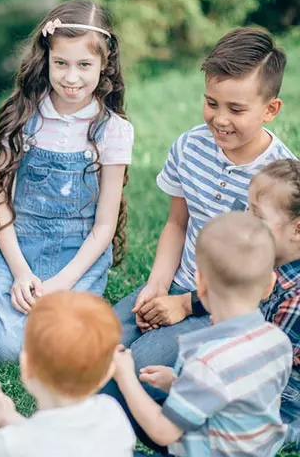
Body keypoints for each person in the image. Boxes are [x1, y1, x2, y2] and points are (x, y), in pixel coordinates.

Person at [111, 26, 295, 372]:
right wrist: (157, 285)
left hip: (230, 306)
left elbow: (264, 279)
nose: (220, 119)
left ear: (271, 109)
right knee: (97, 339)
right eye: (212, 103)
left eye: (236, 110)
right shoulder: (189, 146)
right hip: (181, 281)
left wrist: (185, 305)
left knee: (142, 366)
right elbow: (177, 223)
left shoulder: (280, 181)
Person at [0, 0, 134, 362]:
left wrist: (62, 283)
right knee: (8, 351)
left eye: (85, 64)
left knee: (65, 347)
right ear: (46, 60)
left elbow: (104, 226)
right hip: (20, 249)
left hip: (78, 255)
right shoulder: (23, 116)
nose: (71, 77)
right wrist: (21, 273)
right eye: (61, 63)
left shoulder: (113, 131)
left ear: (104, 65)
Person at [113, 212, 292, 456]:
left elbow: (163, 432)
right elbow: (248, 399)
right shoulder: (278, 340)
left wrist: (125, 377)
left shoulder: (205, 361)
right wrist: (178, 383)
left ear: (200, 284)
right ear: (270, 284)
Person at [0, 291, 135, 456]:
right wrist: (10, 418)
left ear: (26, 366)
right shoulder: (113, 414)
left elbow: (31, 442)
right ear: (108, 372)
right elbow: (57, 441)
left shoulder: (10, 445)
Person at [247, 159, 300, 447]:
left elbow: (269, 367)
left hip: (289, 390)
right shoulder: (268, 262)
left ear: (297, 229)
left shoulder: (295, 300)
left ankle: (287, 433)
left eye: (258, 217)